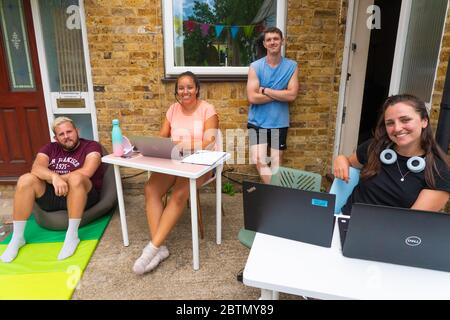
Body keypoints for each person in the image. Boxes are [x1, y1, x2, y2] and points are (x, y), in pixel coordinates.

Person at [133, 71, 219, 274]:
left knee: (180, 193)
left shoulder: (208, 109)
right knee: (151, 189)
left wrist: (184, 144)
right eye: (181, 87)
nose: (185, 91)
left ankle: (151, 249)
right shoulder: (172, 109)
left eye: (189, 87)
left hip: (202, 162)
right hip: (174, 159)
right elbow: (162, 137)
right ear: (177, 91)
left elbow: (210, 141)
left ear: (196, 89)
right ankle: (160, 247)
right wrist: (154, 146)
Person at [1, 117, 104, 262]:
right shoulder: (49, 148)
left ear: (77, 131)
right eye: (61, 134)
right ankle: (17, 238)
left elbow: (87, 171)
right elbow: (36, 168)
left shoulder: (92, 146)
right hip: (54, 194)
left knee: (77, 178)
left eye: (69, 131)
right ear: (56, 138)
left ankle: (72, 236)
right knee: (26, 179)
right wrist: (54, 177)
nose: (66, 136)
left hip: (83, 195)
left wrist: (59, 178)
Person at [334, 94, 450, 215]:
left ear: (424, 121)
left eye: (405, 120)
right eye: (390, 123)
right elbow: (348, 161)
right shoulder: (375, 147)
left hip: (389, 232)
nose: (397, 128)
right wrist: (341, 159)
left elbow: (411, 222)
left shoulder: (439, 171)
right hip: (345, 221)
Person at [246, 27, 299, 184]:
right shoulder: (255, 66)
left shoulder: (291, 66)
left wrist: (266, 90)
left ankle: (273, 198)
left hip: (278, 122)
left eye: (276, 38)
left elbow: (292, 95)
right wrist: (280, 94)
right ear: (264, 43)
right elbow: (252, 97)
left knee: (276, 163)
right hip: (258, 122)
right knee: (258, 159)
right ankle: (276, 193)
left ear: (282, 41)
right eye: (269, 40)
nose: (272, 42)